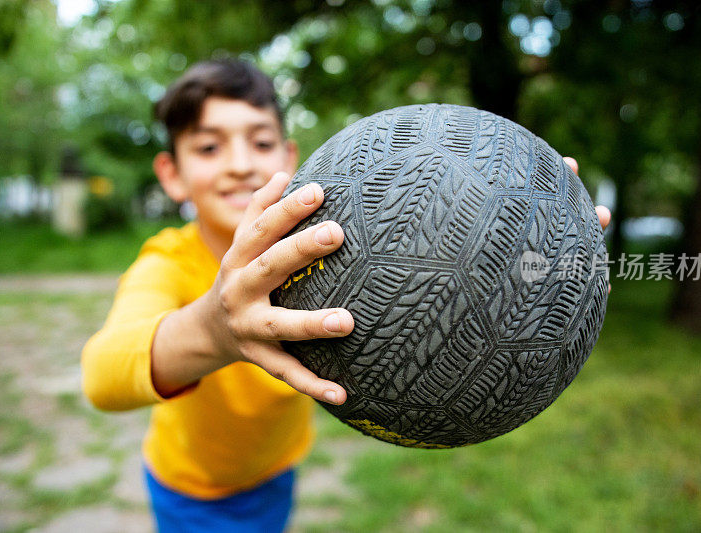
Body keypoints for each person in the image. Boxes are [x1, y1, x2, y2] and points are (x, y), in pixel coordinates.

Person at [81, 58, 611, 532]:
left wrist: (531, 218)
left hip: (277, 466)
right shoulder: (169, 261)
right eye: (209, 146)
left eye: (261, 142)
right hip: (191, 488)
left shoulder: (339, 236)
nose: (240, 164)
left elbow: (443, 272)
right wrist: (214, 328)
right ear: (172, 174)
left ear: (291, 157)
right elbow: (103, 374)